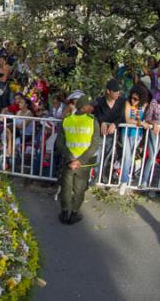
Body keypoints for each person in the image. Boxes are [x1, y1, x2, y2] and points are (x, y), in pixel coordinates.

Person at [55, 95, 100, 225]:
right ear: (84, 107)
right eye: (90, 105)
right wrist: (80, 160)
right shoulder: (93, 121)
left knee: (66, 188)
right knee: (80, 188)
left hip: (68, 161)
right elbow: (95, 144)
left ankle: (64, 213)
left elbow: (59, 142)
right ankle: (74, 214)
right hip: (84, 163)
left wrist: (70, 158)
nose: (92, 107)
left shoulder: (67, 120)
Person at [94, 79, 125, 181]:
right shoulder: (99, 101)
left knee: (108, 157)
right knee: (98, 156)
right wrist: (102, 122)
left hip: (113, 136)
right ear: (108, 91)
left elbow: (122, 117)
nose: (117, 93)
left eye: (118, 91)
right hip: (100, 135)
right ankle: (97, 178)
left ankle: (104, 176)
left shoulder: (121, 101)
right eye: (115, 91)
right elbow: (96, 114)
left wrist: (115, 124)